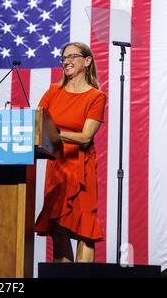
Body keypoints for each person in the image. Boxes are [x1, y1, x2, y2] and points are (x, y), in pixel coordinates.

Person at [34, 42, 107, 263]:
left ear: (87, 61)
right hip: (57, 166)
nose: (66, 61)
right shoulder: (53, 92)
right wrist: (51, 133)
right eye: (63, 57)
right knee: (58, 227)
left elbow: (85, 137)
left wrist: (55, 132)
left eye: (72, 56)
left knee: (85, 230)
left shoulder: (96, 96)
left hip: (81, 168)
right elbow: (37, 124)